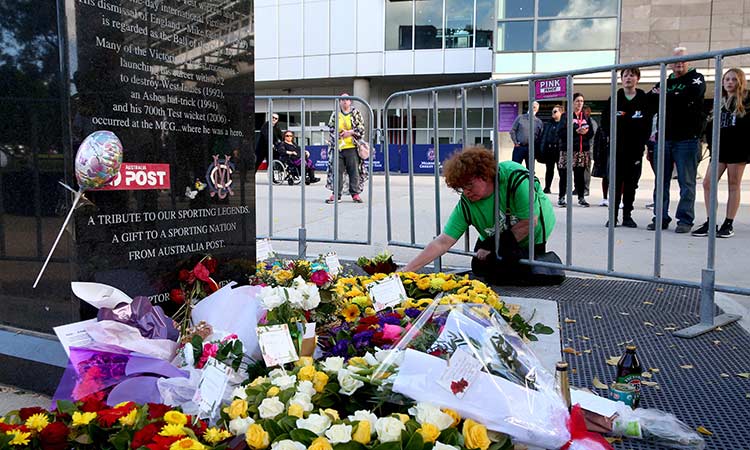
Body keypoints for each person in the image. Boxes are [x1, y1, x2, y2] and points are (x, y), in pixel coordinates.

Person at [401, 147, 556, 285]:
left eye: (469, 185)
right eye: (462, 188)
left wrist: (492, 248)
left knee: (505, 271)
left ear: (485, 175)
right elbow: (443, 241)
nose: (466, 192)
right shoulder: (467, 202)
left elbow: (529, 222)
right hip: (499, 233)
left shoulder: (516, 179)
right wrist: (405, 272)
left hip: (532, 233)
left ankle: (549, 265)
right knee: (480, 266)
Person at [646, 47, 706, 232]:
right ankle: (660, 217)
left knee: (686, 182)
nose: (679, 63)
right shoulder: (665, 81)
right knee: (660, 181)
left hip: (687, 139)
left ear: (690, 61)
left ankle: (685, 220)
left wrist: (666, 96)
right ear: (670, 63)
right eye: (676, 60)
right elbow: (650, 101)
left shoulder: (696, 78)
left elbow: (691, 96)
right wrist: (674, 96)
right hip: (664, 138)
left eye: (683, 60)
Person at [692, 68, 750, 238]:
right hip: (719, 149)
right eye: (727, 79)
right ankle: (711, 222)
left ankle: (728, 223)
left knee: (733, 184)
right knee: (708, 183)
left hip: (738, 149)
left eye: (733, 79)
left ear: (740, 81)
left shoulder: (746, 100)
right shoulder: (720, 102)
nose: (730, 82)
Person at [600, 67, 653, 228]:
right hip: (617, 150)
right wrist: (610, 138)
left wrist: (643, 143)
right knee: (615, 183)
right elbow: (605, 121)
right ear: (621, 79)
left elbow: (648, 123)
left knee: (631, 184)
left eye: (632, 75)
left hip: (635, 150)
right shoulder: (615, 98)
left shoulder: (643, 99)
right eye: (625, 75)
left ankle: (627, 215)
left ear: (637, 79)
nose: (628, 78)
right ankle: (613, 216)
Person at [325, 93, 366, 203]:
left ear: (350, 101)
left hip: (352, 147)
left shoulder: (355, 113)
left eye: (347, 99)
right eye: (342, 100)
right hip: (338, 147)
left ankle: (355, 194)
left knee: (354, 172)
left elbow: (361, 128)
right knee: (337, 171)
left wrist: (350, 132)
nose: (344, 101)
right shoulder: (335, 114)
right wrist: (338, 134)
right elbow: (331, 128)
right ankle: (336, 194)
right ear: (339, 102)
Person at [557, 93, 592, 207]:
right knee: (564, 175)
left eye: (581, 101)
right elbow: (560, 133)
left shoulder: (586, 117)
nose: (579, 103)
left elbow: (591, 133)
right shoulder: (566, 116)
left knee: (580, 175)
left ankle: (581, 198)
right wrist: (574, 131)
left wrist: (586, 132)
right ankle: (562, 197)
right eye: (577, 101)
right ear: (572, 102)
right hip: (567, 150)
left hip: (582, 150)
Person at [509, 101, 543, 168]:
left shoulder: (539, 122)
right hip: (519, 147)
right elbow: (512, 131)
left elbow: (540, 136)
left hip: (531, 149)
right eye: (533, 106)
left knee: (530, 170)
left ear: (537, 109)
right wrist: (516, 143)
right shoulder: (520, 118)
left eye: (535, 107)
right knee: (515, 168)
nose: (534, 109)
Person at [540, 105, 565, 194]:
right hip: (549, 150)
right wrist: (542, 149)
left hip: (559, 150)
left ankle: (563, 189)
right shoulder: (549, 124)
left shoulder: (563, 124)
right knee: (549, 170)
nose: (553, 113)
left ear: (561, 113)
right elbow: (544, 137)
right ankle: (547, 187)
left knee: (561, 171)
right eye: (552, 112)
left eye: (555, 111)